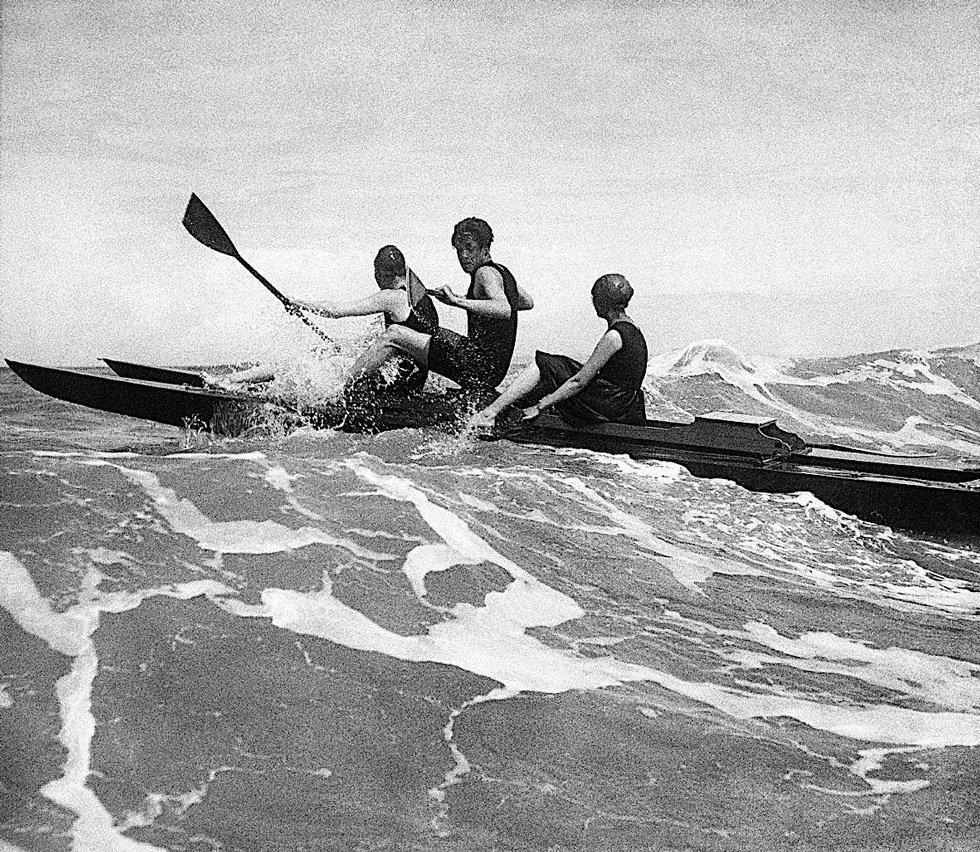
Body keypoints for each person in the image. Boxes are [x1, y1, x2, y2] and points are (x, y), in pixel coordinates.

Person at [209, 245, 439, 394]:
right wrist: (345, 347)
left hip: (396, 384)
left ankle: (234, 381)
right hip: (412, 381)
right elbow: (385, 342)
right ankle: (243, 381)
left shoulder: (391, 297)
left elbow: (336, 311)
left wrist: (298, 303)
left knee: (304, 364)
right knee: (330, 353)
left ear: (379, 274)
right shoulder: (417, 297)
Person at [346, 217, 533, 393]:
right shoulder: (502, 272)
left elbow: (505, 309)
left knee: (394, 334)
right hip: (492, 370)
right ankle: (401, 385)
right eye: (459, 249)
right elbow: (526, 303)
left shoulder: (484, 273)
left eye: (470, 248)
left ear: (485, 248)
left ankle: (344, 388)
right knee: (429, 334)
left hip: (478, 368)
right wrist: (468, 299)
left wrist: (456, 301)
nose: (464, 255)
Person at [469, 273, 647, 433]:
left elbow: (578, 382)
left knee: (544, 363)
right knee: (560, 366)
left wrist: (540, 407)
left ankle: (490, 413)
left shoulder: (614, 336)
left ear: (601, 302)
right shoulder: (633, 328)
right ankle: (511, 407)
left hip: (608, 403)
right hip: (626, 405)